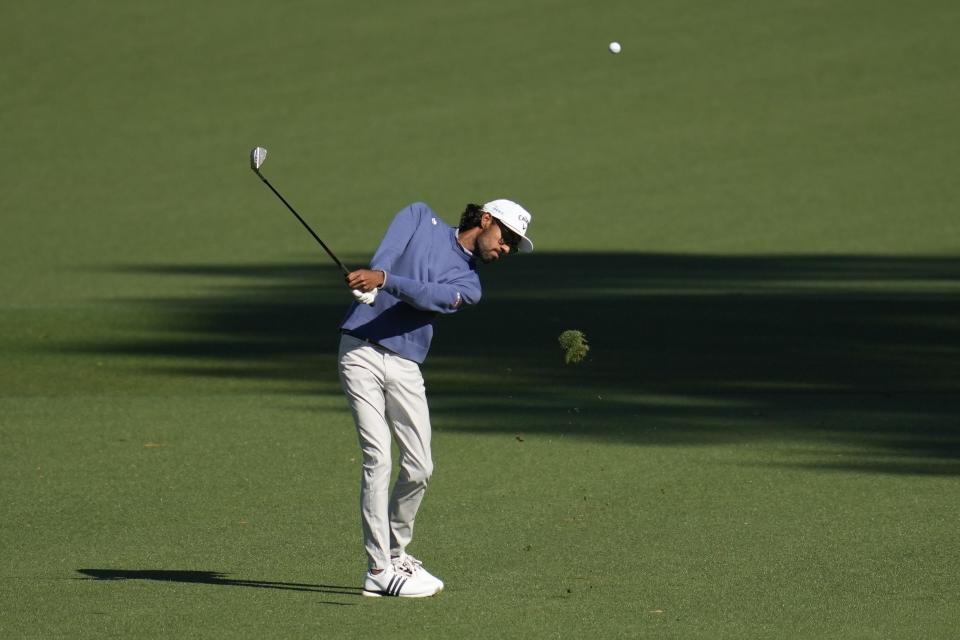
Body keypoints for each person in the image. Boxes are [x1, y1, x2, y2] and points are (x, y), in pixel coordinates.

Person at [337, 199, 534, 597]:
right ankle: (378, 569)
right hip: (360, 352)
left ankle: (395, 554)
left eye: (514, 245)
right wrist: (372, 280)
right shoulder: (418, 216)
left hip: (406, 366)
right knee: (379, 457)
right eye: (507, 237)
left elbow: (429, 296)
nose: (507, 249)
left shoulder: (470, 287)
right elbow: (388, 254)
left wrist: (384, 280)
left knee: (420, 466)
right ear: (485, 220)